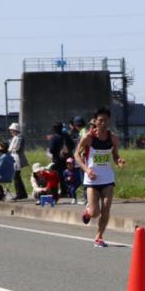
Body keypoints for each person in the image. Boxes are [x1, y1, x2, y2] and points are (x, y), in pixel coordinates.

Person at [76, 106, 125, 247]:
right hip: (92, 179)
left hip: (107, 179)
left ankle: (99, 236)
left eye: (106, 120)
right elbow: (76, 155)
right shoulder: (88, 137)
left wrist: (119, 160)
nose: (103, 123)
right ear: (95, 121)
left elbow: (115, 154)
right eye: (100, 120)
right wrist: (86, 170)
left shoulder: (113, 138)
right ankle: (88, 211)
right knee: (95, 213)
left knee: (106, 208)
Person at [48, 122, 73, 192]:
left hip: (58, 159)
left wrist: (57, 151)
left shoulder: (54, 137)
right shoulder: (66, 135)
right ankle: (69, 190)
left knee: (60, 175)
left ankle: (63, 191)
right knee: (68, 174)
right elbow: (72, 145)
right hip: (67, 159)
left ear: (54, 129)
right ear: (62, 128)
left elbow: (51, 150)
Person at [8, 122, 28, 200]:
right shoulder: (16, 137)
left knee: (16, 177)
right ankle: (23, 193)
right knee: (17, 177)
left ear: (15, 130)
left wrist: (9, 150)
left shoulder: (19, 137)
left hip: (17, 159)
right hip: (14, 158)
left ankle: (19, 194)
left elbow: (17, 148)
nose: (11, 131)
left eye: (12, 130)